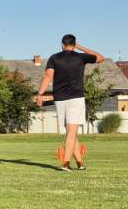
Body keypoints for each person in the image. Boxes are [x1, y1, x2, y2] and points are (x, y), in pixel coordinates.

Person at [35, 34, 105, 171]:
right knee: (72, 132)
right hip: (75, 98)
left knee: (70, 132)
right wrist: (80, 47)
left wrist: (40, 94)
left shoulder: (54, 58)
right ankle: (66, 163)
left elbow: (48, 77)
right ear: (73, 44)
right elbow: (101, 58)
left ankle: (80, 163)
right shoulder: (80, 57)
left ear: (62, 44)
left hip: (60, 99)